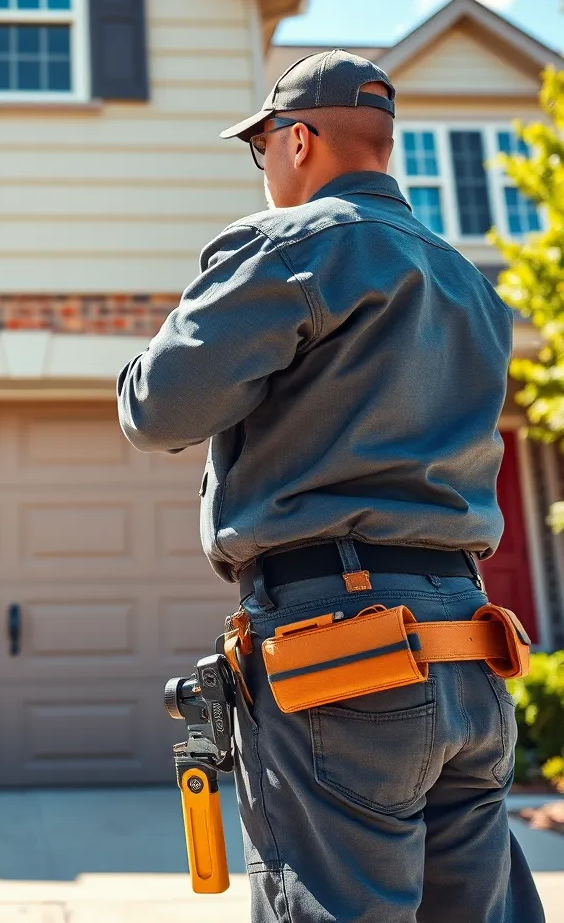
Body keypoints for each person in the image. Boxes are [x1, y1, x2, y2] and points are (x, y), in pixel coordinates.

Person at [116, 50, 544, 922]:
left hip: (343, 651)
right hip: (468, 649)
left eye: (261, 147)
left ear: (298, 139)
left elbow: (156, 410)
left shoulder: (288, 248)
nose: (265, 167)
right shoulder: (470, 283)